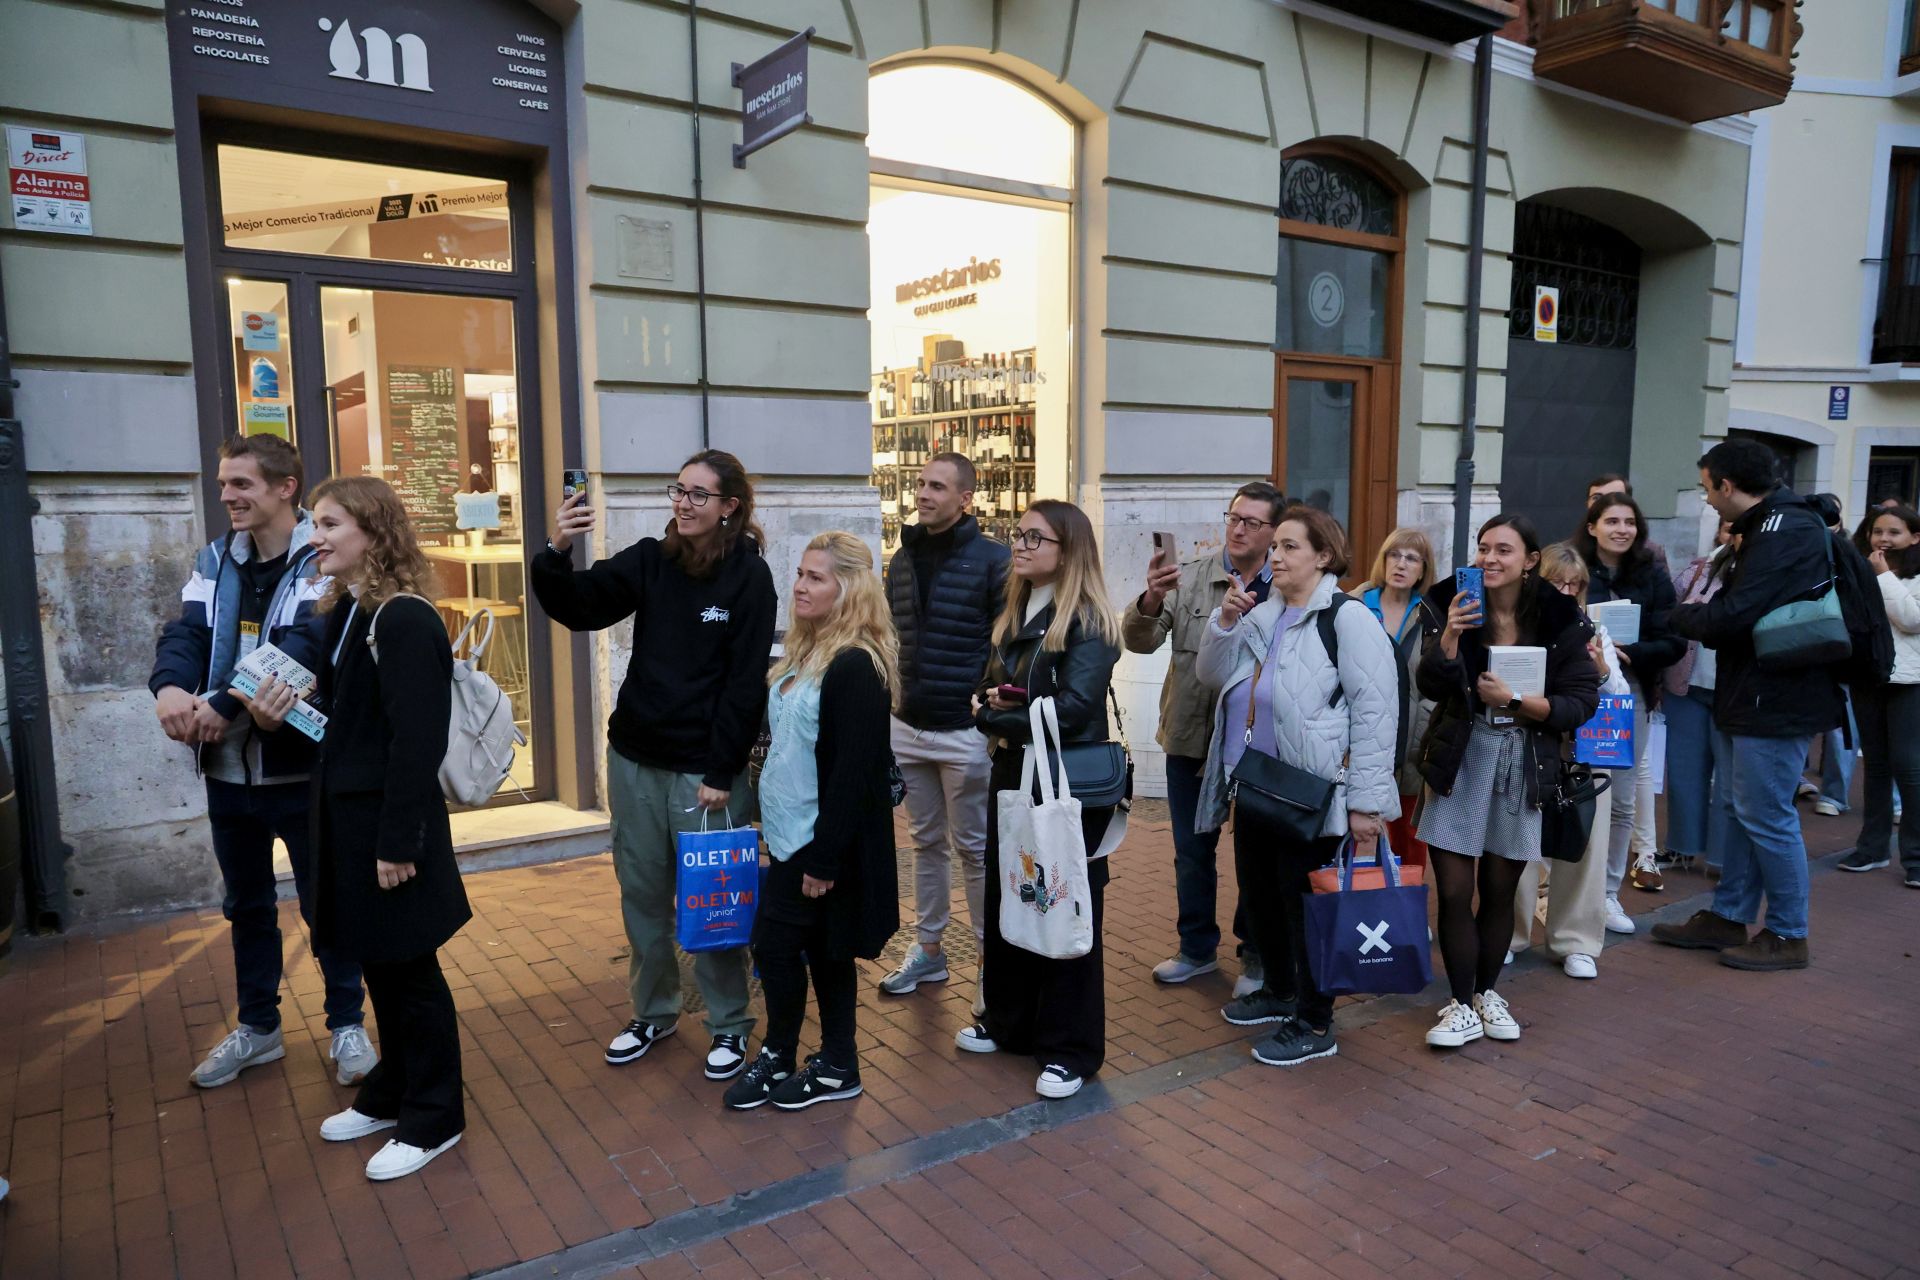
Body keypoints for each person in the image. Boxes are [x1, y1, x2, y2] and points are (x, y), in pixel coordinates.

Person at [531, 450, 777, 1079]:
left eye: (699, 495)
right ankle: (654, 1012)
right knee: (642, 895)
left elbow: (746, 685)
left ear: (730, 508)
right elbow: (578, 606)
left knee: (712, 901)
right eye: (679, 491)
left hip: (705, 776)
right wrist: (557, 549)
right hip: (636, 759)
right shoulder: (651, 558)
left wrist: (723, 772)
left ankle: (729, 1024)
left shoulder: (750, 579)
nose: (684, 504)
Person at [149, 434, 374, 1091]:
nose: (226, 497)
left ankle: (347, 1026)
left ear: (284, 488)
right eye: (223, 485)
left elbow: (307, 643)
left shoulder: (322, 556)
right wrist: (169, 688)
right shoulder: (215, 558)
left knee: (322, 903)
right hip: (228, 773)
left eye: (240, 484)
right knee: (245, 906)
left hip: (303, 772)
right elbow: (187, 629)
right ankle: (259, 1029)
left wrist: (221, 702)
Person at [278, 476, 471, 1181]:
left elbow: (417, 743)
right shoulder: (354, 610)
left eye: (329, 524)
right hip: (351, 823)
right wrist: (286, 710)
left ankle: (435, 1116)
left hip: (389, 832)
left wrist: (398, 844)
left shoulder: (404, 619)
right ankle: (392, 1091)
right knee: (383, 968)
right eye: (316, 524)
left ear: (373, 532)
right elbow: (349, 724)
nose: (316, 536)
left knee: (411, 975)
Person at [1193, 506, 1399, 1067]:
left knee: (1309, 910)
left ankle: (1314, 1021)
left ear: (1323, 556)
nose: (1275, 556)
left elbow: (1376, 714)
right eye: (1275, 546)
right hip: (1259, 784)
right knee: (1263, 901)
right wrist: (1225, 623)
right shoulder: (1265, 613)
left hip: (1316, 793)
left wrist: (1367, 806)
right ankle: (1279, 991)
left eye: (1289, 547)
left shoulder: (1347, 618)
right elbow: (1212, 677)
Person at [1654, 439, 1847, 970]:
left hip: (1777, 696)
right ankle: (1729, 915)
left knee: (1767, 816)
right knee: (1743, 811)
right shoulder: (1773, 524)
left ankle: (1788, 934)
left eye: (1707, 488)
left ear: (1728, 484)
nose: (1707, 500)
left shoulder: (1783, 529)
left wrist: (1674, 616)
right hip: (1757, 692)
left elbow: (1735, 614)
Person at [726, 533, 900, 1110]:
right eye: (800, 573)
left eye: (816, 578)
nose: (800, 585)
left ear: (847, 589)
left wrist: (825, 859)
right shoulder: (806, 649)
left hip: (824, 841)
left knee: (780, 948)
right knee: (823, 949)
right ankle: (832, 1062)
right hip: (787, 828)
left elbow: (853, 776)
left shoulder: (855, 665)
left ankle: (791, 1054)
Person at [955, 500, 1122, 1100]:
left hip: (1066, 785)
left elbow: (1076, 711)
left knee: (1066, 903)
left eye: (1035, 538)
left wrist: (1001, 714)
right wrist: (989, 706)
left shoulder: (1089, 619)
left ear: (1067, 549)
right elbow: (988, 685)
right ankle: (1009, 1024)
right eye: (1017, 535)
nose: (1019, 546)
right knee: (1013, 897)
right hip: (1014, 775)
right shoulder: (1017, 609)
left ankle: (1070, 1049)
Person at [1416, 514, 1600, 1046]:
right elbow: (1430, 682)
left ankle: (1486, 992)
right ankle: (1459, 1003)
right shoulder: (1451, 599)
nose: (1489, 560)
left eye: (1503, 550)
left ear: (1530, 560)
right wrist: (1451, 634)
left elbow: (1580, 702)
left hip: (1525, 762)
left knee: (1500, 890)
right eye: (1483, 549)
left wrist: (1516, 701)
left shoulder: (1561, 615)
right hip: (1461, 756)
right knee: (1453, 890)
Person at [1122, 482, 1283, 992]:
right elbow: (1139, 642)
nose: (1238, 528)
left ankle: (1255, 953)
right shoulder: (1188, 578)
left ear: (1275, 533)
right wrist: (1150, 597)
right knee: (1192, 850)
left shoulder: (1286, 588)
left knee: (1256, 852)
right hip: (1192, 739)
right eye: (1233, 517)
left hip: (1259, 745)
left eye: (1252, 522)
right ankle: (1196, 949)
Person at [879, 453, 1010, 1005]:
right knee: (923, 843)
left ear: (966, 499)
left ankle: (988, 961)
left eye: (937, 486)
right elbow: (891, 633)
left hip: (964, 730)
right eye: (920, 484)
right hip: (908, 725)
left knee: (975, 850)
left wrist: (985, 708)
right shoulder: (901, 559)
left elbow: (1005, 643)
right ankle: (929, 951)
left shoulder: (993, 561)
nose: (924, 494)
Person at [1507, 544, 1629, 980]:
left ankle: (1575, 940)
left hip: (1584, 751)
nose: (1566, 590)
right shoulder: (1519, 623)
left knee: (1585, 842)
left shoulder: (1593, 629)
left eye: (1574, 585)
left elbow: (1618, 697)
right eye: (1557, 581)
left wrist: (1600, 670)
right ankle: (1509, 933)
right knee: (1515, 839)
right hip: (1529, 743)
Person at [1573, 492, 1683, 914]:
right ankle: (1564, 889)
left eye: (1629, 522)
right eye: (1612, 521)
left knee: (1620, 799)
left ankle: (1608, 893)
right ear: (1592, 527)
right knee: (1575, 791)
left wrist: (1631, 652)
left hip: (1628, 693)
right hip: (1578, 691)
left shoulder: (1653, 575)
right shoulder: (1575, 569)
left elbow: (1673, 641)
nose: (1622, 529)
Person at [1838, 514, 1920, 883]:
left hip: (1910, 680)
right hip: (1869, 676)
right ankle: (1872, 849)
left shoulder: (1907, 576)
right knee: (1876, 766)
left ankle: (1916, 858)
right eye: (1877, 531)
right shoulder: (1858, 569)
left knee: (1909, 766)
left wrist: (1883, 575)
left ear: (1914, 537)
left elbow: (1912, 619)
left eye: (1894, 532)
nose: (1883, 539)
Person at [1357, 527, 1439, 870]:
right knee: (1355, 834)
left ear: (1423, 569)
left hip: (1412, 743)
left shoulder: (1433, 616)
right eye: (1394, 555)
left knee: (1408, 838)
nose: (1401, 564)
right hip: (1361, 738)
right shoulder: (1355, 606)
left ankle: (1407, 918)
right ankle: (1357, 914)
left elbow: (1436, 683)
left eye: (1411, 558)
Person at [1663, 521, 1736, 878]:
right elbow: (1670, 614)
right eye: (1727, 527)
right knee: (1683, 773)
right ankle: (1681, 848)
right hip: (1686, 685)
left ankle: (1723, 859)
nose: (1733, 532)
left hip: (1732, 691)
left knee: (1729, 779)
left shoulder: (1762, 574)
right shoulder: (1697, 572)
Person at [1804, 496, 1859, 818]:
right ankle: (1804, 781)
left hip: (1838, 652)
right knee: (1803, 722)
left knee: (1840, 728)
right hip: (1805, 651)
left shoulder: (1847, 556)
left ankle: (1836, 795)